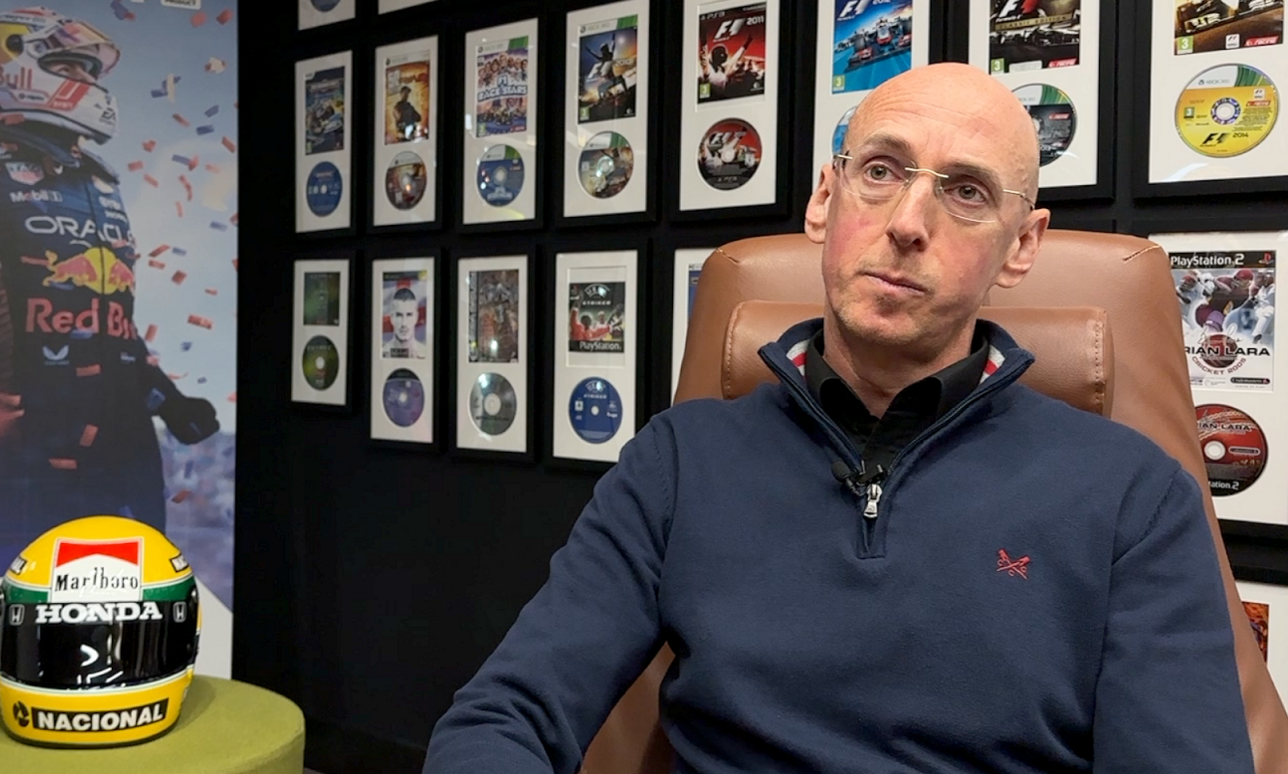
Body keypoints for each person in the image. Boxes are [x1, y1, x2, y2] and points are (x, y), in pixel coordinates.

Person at [422, 63, 1254, 773]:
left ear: (1022, 246)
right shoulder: (679, 462)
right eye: (882, 170)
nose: (906, 224)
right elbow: (504, 720)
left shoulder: (1135, 498)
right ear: (826, 197)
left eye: (966, 192)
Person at [0, 7, 218, 575]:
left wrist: (166, 398)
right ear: (10, 69)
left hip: (126, 441)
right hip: (28, 437)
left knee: (137, 601)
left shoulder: (99, 179)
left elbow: (111, 316)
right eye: (70, 66)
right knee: (28, 611)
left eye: (90, 70)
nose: (90, 84)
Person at [383, 287, 426, 358]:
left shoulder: (426, 354)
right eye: (399, 315)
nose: (404, 323)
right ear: (391, 318)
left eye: (409, 315)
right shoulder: (381, 353)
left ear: (416, 317)